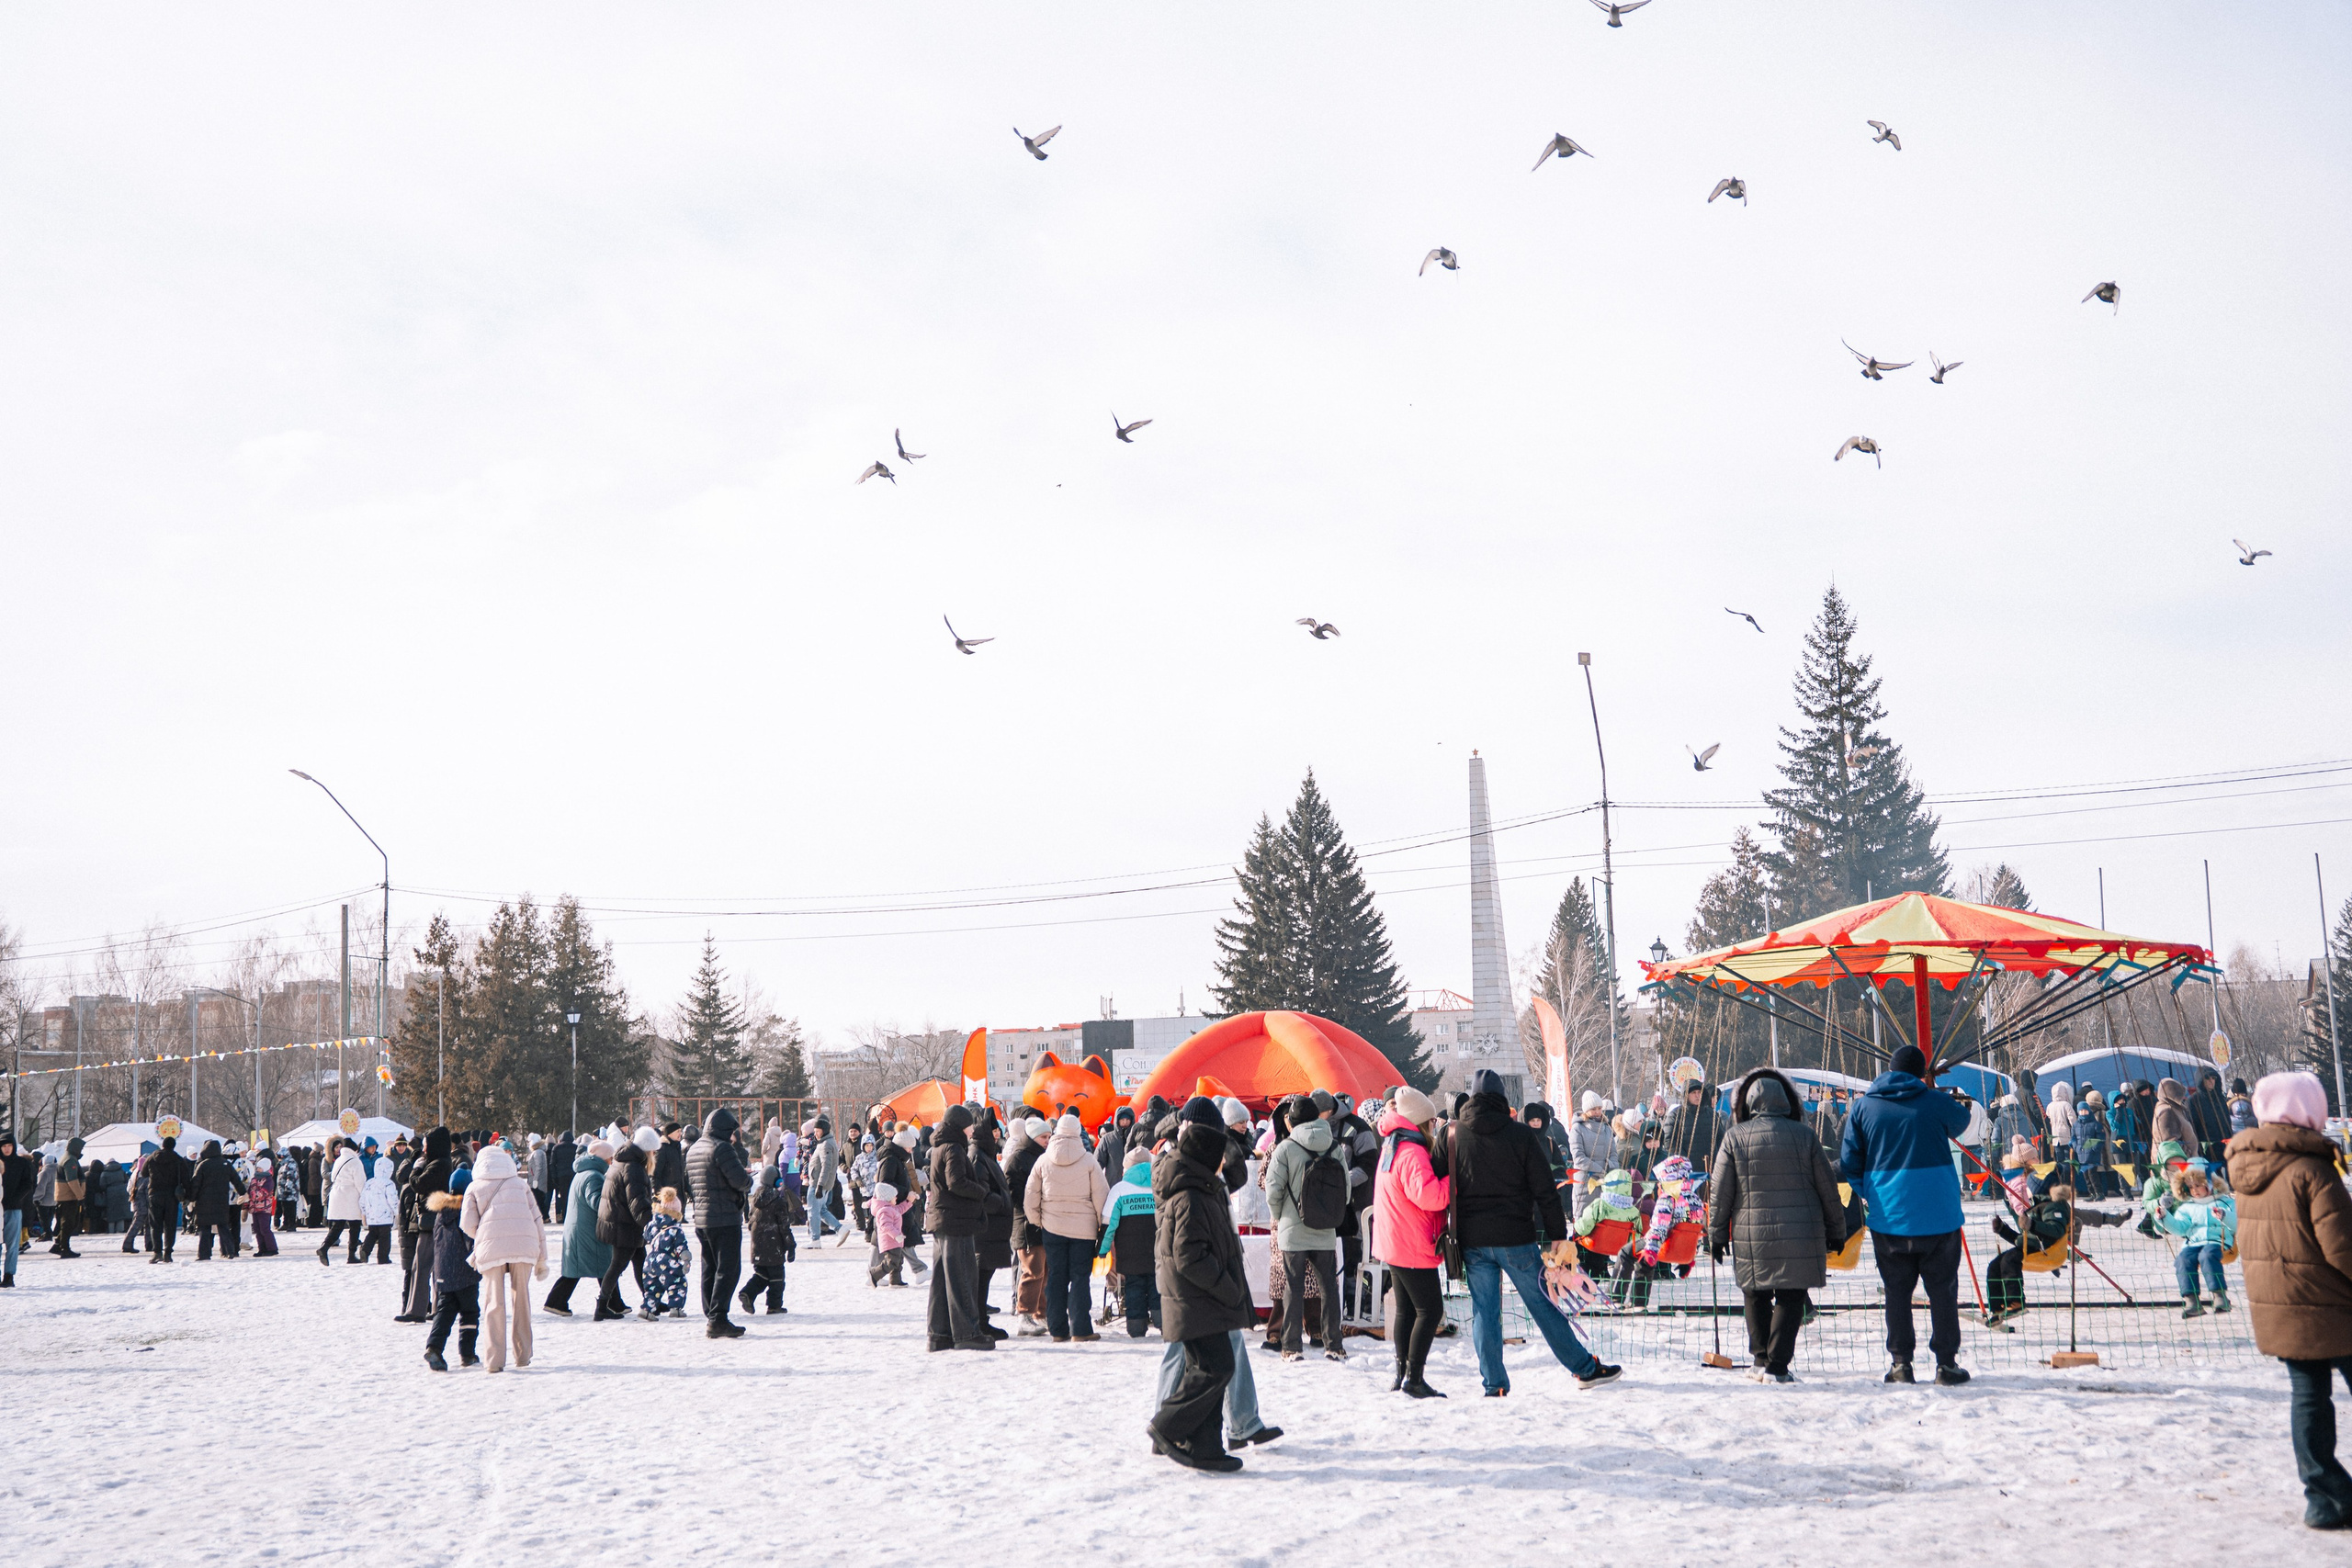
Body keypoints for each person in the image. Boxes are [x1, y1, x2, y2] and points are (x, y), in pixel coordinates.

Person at [1445, 1068, 1620, 1396]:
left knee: (1484, 1313)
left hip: (1473, 1240)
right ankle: (1583, 1369)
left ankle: (1494, 1383)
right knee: (1543, 1305)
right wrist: (1558, 1233)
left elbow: (1441, 1181)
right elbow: (1545, 1190)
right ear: (1502, 1099)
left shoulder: (1453, 1134)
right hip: (1515, 1238)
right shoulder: (1521, 1135)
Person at [2228, 1072, 2352, 1529]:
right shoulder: (2311, 1169)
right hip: (2334, 1305)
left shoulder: (2245, 1168)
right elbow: (2342, 1246)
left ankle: (2323, 1498)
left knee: (2309, 1397)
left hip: (2279, 1304)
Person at [1840, 1043, 1972, 1386]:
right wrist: (1930, 1091)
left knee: (1897, 1292)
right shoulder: (1934, 1102)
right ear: (1922, 1073)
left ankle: (1901, 1363)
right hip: (1939, 1213)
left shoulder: (1864, 1107)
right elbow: (1962, 1121)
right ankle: (1946, 1364)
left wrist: (1871, 1192)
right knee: (1943, 1291)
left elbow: (1850, 1162)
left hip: (1890, 1214)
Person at [1709, 1067, 1847, 1382]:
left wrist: (1715, 1235)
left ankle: (1760, 1360)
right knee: (1791, 1295)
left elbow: (1720, 1192)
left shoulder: (1734, 1137)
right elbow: (1828, 1188)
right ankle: (1778, 1366)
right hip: (1800, 1232)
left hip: (1750, 1232)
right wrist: (1837, 1231)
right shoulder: (1805, 1136)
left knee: (1755, 1293)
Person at [1151, 1098, 1258, 1473]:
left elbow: (1235, 1177)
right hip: (1195, 1293)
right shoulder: (1186, 1185)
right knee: (1207, 1366)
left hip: (1197, 1292)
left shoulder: (1195, 1179)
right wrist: (1227, 1287)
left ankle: (1206, 1442)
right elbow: (1189, 1254)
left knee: (1210, 1366)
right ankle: (1167, 1425)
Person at [1372, 1085, 1452, 1397]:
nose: (1435, 1126)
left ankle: (1402, 1374)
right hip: (1411, 1241)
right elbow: (1429, 1197)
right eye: (1432, 1121)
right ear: (1422, 1122)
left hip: (1393, 1239)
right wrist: (1452, 1182)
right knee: (1430, 1310)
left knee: (1406, 1310)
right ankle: (1414, 1379)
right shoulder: (1413, 1151)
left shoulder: (1392, 1145)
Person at [1266, 1093, 1347, 1362]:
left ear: (1292, 1121)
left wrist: (1282, 1218)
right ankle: (1333, 1344)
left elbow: (1273, 1190)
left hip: (1292, 1230)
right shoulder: (1334, 1146)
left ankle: (1291, 1347)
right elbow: (1345, 1190)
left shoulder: (1285, 1148)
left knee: (1293, 1287)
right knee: (1328, 1288)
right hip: (1325, 1229)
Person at [458, 1143, 546, 1372]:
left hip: (491, 1247)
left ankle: (495, 1361)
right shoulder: (520, 1184)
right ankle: (523, 1356)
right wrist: (542, 1258)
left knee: (493, 1303)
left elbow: (466, 1224)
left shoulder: (474, 1186)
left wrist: (484, 1235)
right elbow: (537, 1219)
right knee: (522, 1301)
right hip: (524, 1243)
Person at [1023, 1111, 1107, 1344]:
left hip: (1052, 1228)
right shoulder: (1089, 1160)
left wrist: (1038, 1221)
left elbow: (1030, 1196)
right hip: (1084, 1231)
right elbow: (1101, 1196)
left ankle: (1058, 1330)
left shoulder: (1043, 1160)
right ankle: (1080, 1329)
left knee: (1056, 1278)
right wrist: (1101, 1225)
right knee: (1080, 1278)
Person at [925, 1102, 992, 1351]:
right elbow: (957, 1182)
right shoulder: (953, 1147)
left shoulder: (939, 1147)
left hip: (942, 1220)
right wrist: (982, 1191)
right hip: (956, 1221)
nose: (972, 1130)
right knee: (962, 1278)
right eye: (968, 1126)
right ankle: (967, 1333)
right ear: (958, 1126)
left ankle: (939, 1335)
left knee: (942, 1281)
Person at [685, 1108, 752, 1339]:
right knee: (728, 1269)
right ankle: (718, 1318)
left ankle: (711, 1312)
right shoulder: (722, 1148)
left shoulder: (695, 1148)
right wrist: (748, 1178)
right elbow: (740, 1181)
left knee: (710, 1267)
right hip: (724, 1216)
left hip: (703, 1217)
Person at [544, 1138, 613, 1316]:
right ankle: (612, 1303)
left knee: (580, 1269)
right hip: (587, 1230)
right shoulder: (593, 1176)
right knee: (604, 1266)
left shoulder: (583, 1172)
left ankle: (556, 1302)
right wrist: (614, 1199)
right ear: (603, 1158)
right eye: (610, 1158)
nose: (612, 1161)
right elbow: (597, 1202)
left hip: (580, 1228)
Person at [422, 1168, 481, 1371]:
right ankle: (467, 1353)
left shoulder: (441, 1212)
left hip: (442, 1272)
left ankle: (434, 1347)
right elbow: (469, 1240)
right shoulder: (466, 1211)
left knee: (444, 1312)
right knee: (470, 1312)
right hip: (465, 1272)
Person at [596, 1128, 656, 1319]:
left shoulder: (623, 1160)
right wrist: (651, 1225)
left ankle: (650, 1300)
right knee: (618, 1265)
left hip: (621, 1222)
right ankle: (601, 1306)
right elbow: (637, 1202)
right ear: (648, 1150)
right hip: (624, 1225)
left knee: (641, 1262)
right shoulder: (634, 1168)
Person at [2165, 1163, 2237, 1317]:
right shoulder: (2188, 1207)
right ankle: (2191, 1300)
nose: (2194, 1190)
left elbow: (2238, 1224)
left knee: (2207, 1255)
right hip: (2194, 1242)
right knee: (2183, 1260)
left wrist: (2224, 1216)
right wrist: (2165, 1218)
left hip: (2218, 1240)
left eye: (2198, 1185)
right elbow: (2180, 1228)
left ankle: (2219, 1295)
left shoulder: (2225, 1202)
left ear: (2210, 1184)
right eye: (2190, 1187)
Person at [1101, 1145, 1159, 1337]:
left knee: (1133, 1286)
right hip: (1157, 1249)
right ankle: (1163, 1323)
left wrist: (1101, 1249)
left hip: (1129, 1251)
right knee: (1157, 1285)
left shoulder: (1119, 1190)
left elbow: (1108, 1224)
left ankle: (1136, 1327)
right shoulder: (1159, 1186)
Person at [1004, 1116, 1049, 1334]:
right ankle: (1024, 1314)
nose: (1047, 1141)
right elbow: (1012, 1194)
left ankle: (1040, 1314)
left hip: (1040, 1223)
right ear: (1032, 1137)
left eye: (1049, 1136)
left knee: (1043, 1272)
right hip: (1025, 1224)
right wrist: (1033, 1202)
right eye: (1043, 1137)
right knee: (1032, 1271)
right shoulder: (1018, 1159)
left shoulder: (1042, 1156)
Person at [739, 1155, 797, 1316]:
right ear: (777, 1182)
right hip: (774, 1247)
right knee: (777, 1277)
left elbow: (750, 1223)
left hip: (757, 1247)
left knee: (763, 1274)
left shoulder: (755, 1200)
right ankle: (774, 1305)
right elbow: (784, 1227)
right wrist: (791, 1246)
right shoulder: (778, 1202)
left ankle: (748, 1293)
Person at [971, 1116, 1013, 1337]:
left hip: (991, 1228)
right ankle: (979, 1322)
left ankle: (981, 1320)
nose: (998, 1135)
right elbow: (981, 1193)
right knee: (981, 1276)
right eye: (994, 1131)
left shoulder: (984, 1155)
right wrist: (1001, 1202)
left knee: (984, 1275)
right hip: (986, 1228)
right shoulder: (978, 1156)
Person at [186, 1139, 241, 1260]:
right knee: (224, 1227)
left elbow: (196, 1184)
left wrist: (191, 1198)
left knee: (204, 1229)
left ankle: (204, 1254)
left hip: (204, 1202)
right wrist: (243, 1193)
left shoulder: (203, 1165)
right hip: (221, 1201)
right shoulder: (225, 1163)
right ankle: (230, 1251)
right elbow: (236, 1180)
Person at [641, 1188, 692, 1316]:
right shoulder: (675, 1228)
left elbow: (646, 1236)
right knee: (677, 1283)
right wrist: (686, 1259)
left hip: (650, 1261)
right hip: (667, 1261)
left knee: (653, 1287)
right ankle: (676, 1309)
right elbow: (681, 1247)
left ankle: (646, 1310)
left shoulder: (653, 1224)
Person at [317, 1137, 366, 1264]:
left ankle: (324, 1247)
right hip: (350, 1196)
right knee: (355, 1226)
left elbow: (332, 1176)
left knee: (337, 1225)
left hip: (336, 1194)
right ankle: (351, 1255)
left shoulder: (339, 1160)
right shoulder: (355, 1161)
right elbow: (360, 1182)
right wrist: (364, 1197)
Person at [1567, 1092, 1613, 1219]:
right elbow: (1578, 1157)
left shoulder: (1607, 1128)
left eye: (1599, 1108)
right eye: (1593, 1109)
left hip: (1605, 1181)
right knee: (1585, 1219)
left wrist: (1611, 1170)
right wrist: (1599, 1170)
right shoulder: (1577, 1128)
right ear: (1586, 1110)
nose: (1597, 1112)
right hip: (1585, 1181)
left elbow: (1613, 1152)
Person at [1662, 1079, 1724, 1174]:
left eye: (1699, 1092)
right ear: (1686, 1095)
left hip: (1712, 1169)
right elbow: (1669, 1141)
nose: (1697, 1095)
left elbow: (1721, 1138)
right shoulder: (1675, 1116)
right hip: (1687, 1171)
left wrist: (1718, 1158)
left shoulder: (1712, 1114)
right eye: (1693, 1093)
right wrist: (1684, 1161)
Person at [868, 1180, 915, 1287]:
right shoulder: (884, 1211)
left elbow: (900, 1209)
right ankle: (874, 1274)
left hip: (895, 1241)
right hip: (890, 1241)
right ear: (887, 1198)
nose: (896, 1198)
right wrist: (896, 1235)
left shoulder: (891, 1208)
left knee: (898, 1261)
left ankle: (895, 1280)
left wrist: (908, 1201)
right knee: (892, 1261)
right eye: (894, 1197)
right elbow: (886, 1226)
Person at [1, 1133, 33, 1285]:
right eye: (4, 1146)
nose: (6, 1149)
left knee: (13, 1244)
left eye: (9, 1146)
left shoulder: (21, 1163)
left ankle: (9, 1275)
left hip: (14, 1207)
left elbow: (28, 1183)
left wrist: (16, 1197)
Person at [48, 1137, 86, 1258]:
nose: (81, 1150)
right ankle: (64, 1248)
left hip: (65, 1196)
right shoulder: (70, 1160)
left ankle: (59, 1245)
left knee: (69, 1222)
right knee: (69, 1222)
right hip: (68, 1196)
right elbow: (72, 1180)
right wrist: (80, 1196)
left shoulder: (67, 1158)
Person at [804, 1119, 842, 1244]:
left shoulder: (826, 1144)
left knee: (813, 1211)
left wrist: (819, 1185)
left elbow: (827, 1166)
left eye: (817, 1131)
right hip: (819, 1183)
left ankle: (815, 1239)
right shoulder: (825, 1143)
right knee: (821, 1210)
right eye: (814, 1131)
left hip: (817, 1183)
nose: (815, 1134)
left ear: (824, 1131)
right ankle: (840, 1228)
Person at [359, 1144, 398, 1264]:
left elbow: (362, 1199)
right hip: (385, 1217)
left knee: (372, 1234)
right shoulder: (389, 1184)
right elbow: (392, 1200)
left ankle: (365, 1250)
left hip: (372, 1216)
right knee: (384, 1238)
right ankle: (383, 1257)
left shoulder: (370, 1182)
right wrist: (397, 1212)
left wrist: (365, 1212)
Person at [246, 1149, 278, 1258]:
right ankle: (262, 1248)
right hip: (255, 1208)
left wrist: (252, 1194)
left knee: (265, 1228)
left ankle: (272, 1248)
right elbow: (251, 1189)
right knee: (257, 1229)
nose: (258, 1169)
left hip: (265, 1208)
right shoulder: (255, 1178)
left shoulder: (268, 1180)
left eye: (260, 1168)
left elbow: (263, 1193)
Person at [526, 1133, 550, 1222]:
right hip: (539, 1180)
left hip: (537, 1181)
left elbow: (538, 1167)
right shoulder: (540, 1152)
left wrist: (535, 1180)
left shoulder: (537, 1152)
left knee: (538, 1199)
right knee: (539, 1199)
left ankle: (543, 1217)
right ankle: (544, 1217)